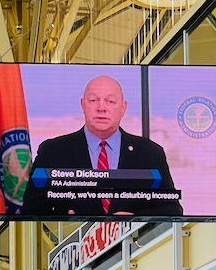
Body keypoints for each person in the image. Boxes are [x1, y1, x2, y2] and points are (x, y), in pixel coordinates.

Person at [20, 74, 181, 218]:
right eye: (93, 100)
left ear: (123, 108)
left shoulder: (150, 153)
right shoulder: (52, 152)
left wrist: (135, 218)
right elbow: (30, 210)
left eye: (110, 101)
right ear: (83, 105)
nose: (101, 108)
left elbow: (172, 209)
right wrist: (63, 218)